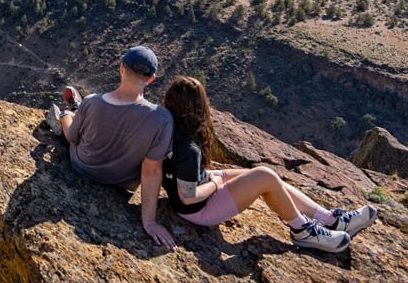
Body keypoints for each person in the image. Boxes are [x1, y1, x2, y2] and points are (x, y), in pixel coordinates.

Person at [160, 76, 378, 253]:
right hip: (200, 211)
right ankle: (303, 231)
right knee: (265, 176)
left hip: (198, 193)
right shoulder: (188, 149)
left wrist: (215, 177)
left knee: (260, 175)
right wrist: (216, 183)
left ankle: (331, 220)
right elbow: (188, 196)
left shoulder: (166, 131)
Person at [46, 45, 176, 248]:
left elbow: (72, 138)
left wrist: (69, 119)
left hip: (82, 166)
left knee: (71, 122)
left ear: (121, 68)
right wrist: (149, 223)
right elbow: (151, 171)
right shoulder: (162, 119)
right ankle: (73, 111)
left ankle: (66, 113)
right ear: (151, 78)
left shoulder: (93, 101)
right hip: (120, 182)